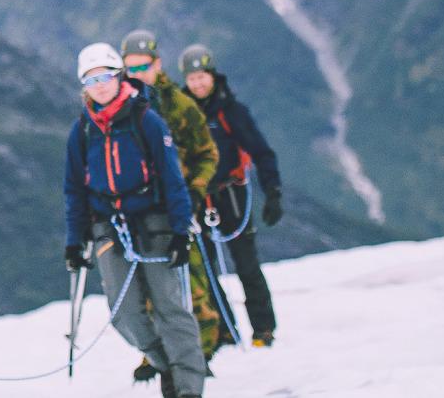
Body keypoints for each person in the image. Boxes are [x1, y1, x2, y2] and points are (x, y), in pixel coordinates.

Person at [66, 42, 207, 398]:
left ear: (119, 77)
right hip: (108, 226)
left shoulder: (146, 120)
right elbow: (74, 189)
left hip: (154, 221)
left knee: (169, 307)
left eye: (105, 76)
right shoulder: (82, 131)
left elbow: (172, 177)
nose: (99, 85)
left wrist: (180, 230)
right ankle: (166, 364)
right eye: (91, 79)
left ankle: (188, 388)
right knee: (123, 312)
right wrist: (74, 240)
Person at [121, 29, 235, 368]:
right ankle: (158, 356)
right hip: (138, 211)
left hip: (178, 208)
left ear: (157, 64)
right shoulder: (120, 109)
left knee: (191, 283)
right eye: (130, 68)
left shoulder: (179, 106)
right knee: (147, 288)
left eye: (143, 67)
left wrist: (194, 191)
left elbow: (207, 153)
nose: (137, 74)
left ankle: (200, 353)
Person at [180, 44, 283, 347]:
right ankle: (224, 329)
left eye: (202, 77)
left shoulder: (231, 112)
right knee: (206, 267)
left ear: (212, 75)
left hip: (231, 194)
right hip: (199, 198)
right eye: (192, 78)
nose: (198, 84)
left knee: (246, 263)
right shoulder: (182, 113)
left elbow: (261, 151)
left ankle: (263, 328)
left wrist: (273, 191)